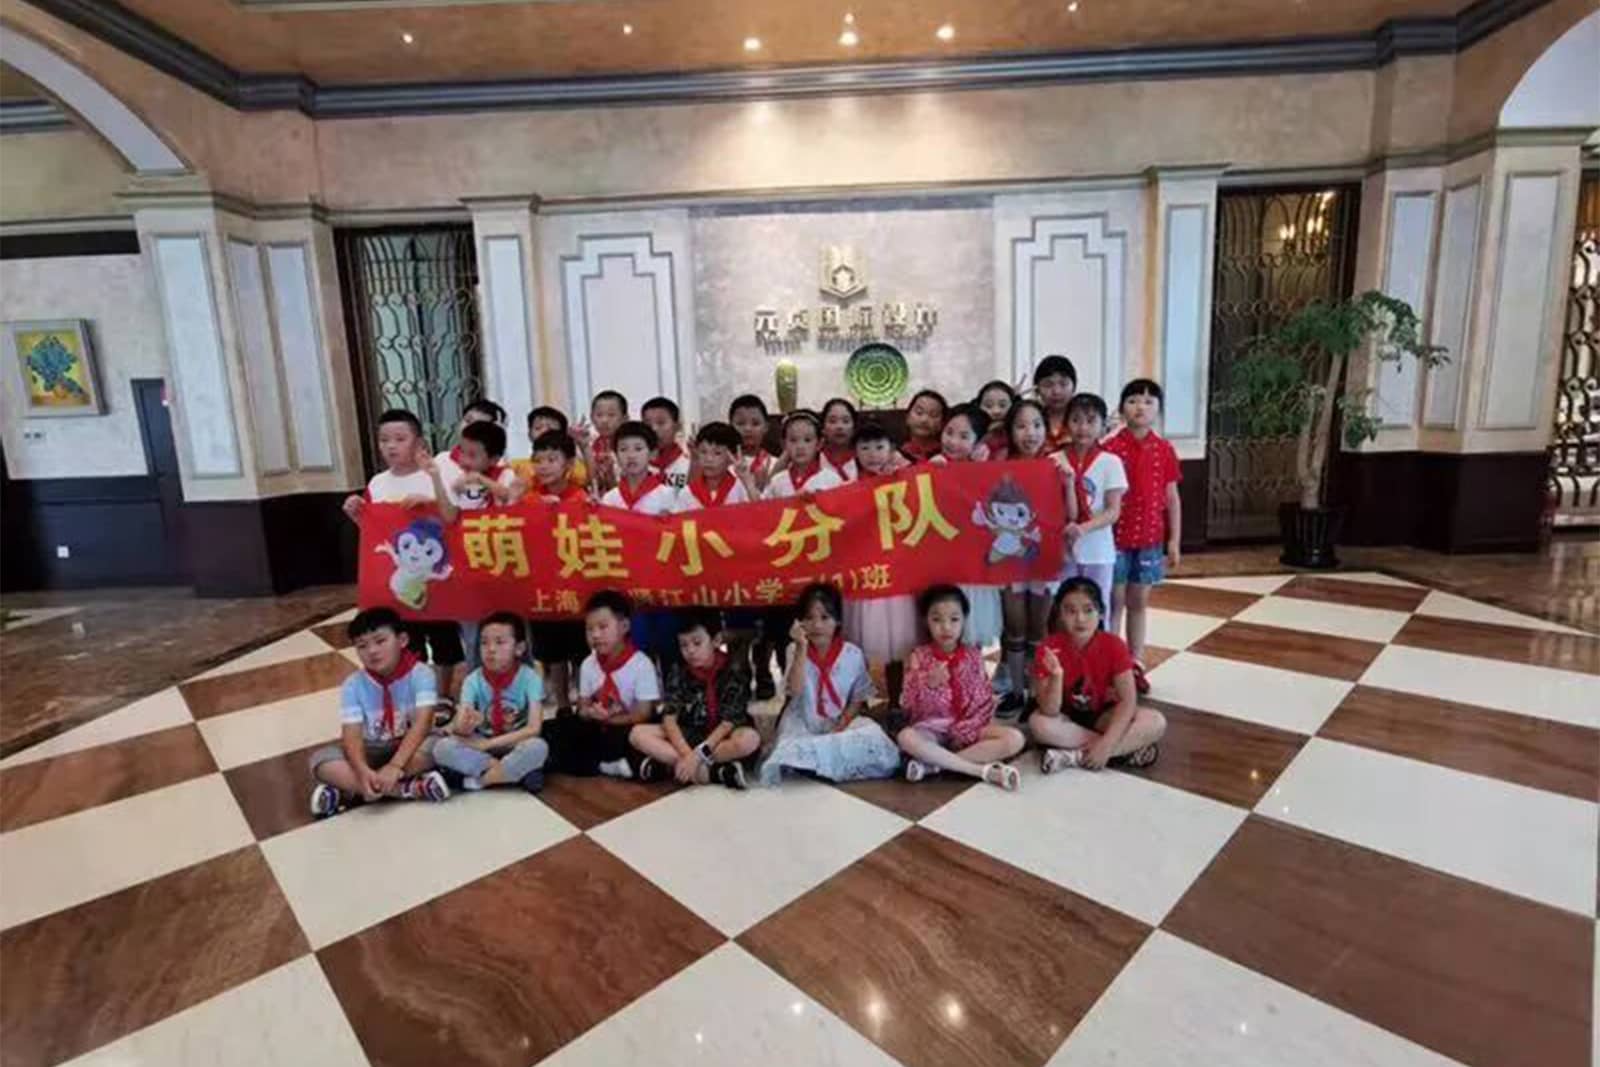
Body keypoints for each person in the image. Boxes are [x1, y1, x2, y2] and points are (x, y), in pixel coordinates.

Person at [340, 408, 464, 706]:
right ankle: (416, 694)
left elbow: (453, 518)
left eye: (399, 439)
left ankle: (444, 694)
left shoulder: (434, 475)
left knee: (443, 637)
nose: (391, 446)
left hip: (437, 579)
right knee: (408, 637)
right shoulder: (377, 483)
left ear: (418, 442)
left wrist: (429, 499)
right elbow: (375, 534)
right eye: (384, 440)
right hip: (399, 580)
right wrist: (357, 515)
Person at [309, 607, 449, 816]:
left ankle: (350, 792)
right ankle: (406, 789)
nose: (372, 651)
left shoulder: (421, 674)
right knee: (321, 760)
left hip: (412, 747)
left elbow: (422, 724)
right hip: (372, 748)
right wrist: (362, 770)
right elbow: (351, 734)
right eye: (362, 646)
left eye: (380, 641)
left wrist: (395, 765)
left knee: (439, 746)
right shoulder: (353, 684)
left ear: (402, 640)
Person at [760, 582, 900, 785]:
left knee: (874, 737)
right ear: (799, 622)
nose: (817, 625)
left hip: (838, 720)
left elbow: (858, 698)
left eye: (825, 618)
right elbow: (795, 690)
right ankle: (822, 759)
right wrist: (801, 647)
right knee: (789, 747)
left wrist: (843, 722)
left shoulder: (852, 653)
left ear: (838, 621)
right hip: (803, 722)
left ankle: (820, 759)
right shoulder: (794, 649)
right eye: (809, 618)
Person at [897, 585, 1025, 790]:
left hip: (969, 726)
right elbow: (909, 706)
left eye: (954, 619)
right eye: (937, 620)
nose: (946, 627)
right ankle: (979, 771)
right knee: (906, 737)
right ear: (926, 621)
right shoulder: (918, 656)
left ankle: (934, 766)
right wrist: (929, 685)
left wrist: (967, 727)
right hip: (931, 729)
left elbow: (982, 700)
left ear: (964, 620)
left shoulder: (973, 655)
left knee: (1015, 739)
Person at [1031, 577, 1166, 771]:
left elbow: (1128, 701)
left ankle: (1076, 756)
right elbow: (1050, 710)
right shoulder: (1049, 647)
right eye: (1070, 611)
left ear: (1101, 613)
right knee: (1038, 724)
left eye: (1088, 610)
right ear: (1060, 614)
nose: (1080, 619)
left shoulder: (1114, 645)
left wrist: (1107, 744)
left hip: (1104, 714)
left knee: (1155, 721)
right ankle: (1123, 752)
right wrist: (1056, 676)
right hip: (1065, 717)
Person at [1103, 379, 1182, 694]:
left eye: (1149, 402)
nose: (1141, 407)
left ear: (1158, 410)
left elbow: (1172, 498)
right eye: (1134, 400)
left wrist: (1174, 541)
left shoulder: (1164, 450)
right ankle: (1110, 663)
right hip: (1114, 539)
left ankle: (1135, 662)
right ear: (1122, 408)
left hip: (1150, 539)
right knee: (1114, 601)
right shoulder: (1109, 448)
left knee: (1139, 601)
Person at [629, 608, 761, 790]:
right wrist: (687, 755)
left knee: (749, 740)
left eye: (697, 643)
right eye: (684, 645)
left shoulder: (735, 669)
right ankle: (712, 772)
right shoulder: (678, 670)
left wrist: (697, 756)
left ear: (716, 640)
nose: (690, 651)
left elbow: (727, 723)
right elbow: (669, 719)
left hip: (723, 736)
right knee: (637, 734)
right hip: (690, 733)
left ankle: (672, 767)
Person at [544, 591, 662, 778]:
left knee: (637, 736)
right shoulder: (588, 664)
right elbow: (582, 708)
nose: (596, 635)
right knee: (553, 729)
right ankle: (609, 765)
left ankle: (604, 763)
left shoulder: (641, 664)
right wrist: (591, 713)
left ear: (624, 626)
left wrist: (610, 720)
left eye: (603, 627)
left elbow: (643, 714)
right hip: (599, 726)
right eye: (589, 629)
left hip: (627, 727)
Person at [842, 421, 919, 708]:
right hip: (861, 572)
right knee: (857, 642)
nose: (872, 454)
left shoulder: (905, 479)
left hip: (895, 572)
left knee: (895, 642)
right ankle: (857, 701)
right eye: (864, 448)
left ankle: (896, 701)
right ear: (855, 452)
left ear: (892, 449)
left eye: (879, 447)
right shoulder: (847, 484)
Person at [433, 613, 549, 792]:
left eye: (500, 642)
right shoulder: (473, 680)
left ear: (519, 648)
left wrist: (489, 744)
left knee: (538, 747)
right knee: (442, 748)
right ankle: (508, 772)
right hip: (481, 743)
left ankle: (479, 780)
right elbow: (460, 726)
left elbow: (534, 728)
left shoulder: (530, 677)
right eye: (484, 642)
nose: (491, 649)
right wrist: (465, 726)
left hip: (514, 742)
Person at [996, 398, 1062, 714]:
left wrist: (1068, 482)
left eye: (1036, 425)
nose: (1030, 433)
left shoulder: (1057, 464)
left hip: (1045, 560)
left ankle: (1036, 692)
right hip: (1009, 561)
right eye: (1021, 426)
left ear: (1046, 429)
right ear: (1010, 431)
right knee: (1014, 628)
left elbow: (1071, 509)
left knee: (1039, 629)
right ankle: (1016, 691)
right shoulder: (998, 466)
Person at [930, 403, 1003, 651]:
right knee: (940, 624)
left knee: (973, 627)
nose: (952, 442)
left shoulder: (987, 471)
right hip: (938, 559)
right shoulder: (932, 465)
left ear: (978, 442)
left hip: (972, 560)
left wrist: (978, 470)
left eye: (964, 436)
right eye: (949, 432)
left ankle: (974, 673)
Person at [526, 430, 590, 710]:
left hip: (576, 587)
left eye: (552, 459)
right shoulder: (528, 499)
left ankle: (584, 705)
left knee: (580, 650)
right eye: (538, 460)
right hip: (543, 588)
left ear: (569, 464)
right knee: (553, 654)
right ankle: (562, 706)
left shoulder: (581, 497)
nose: (544, 466)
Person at [1060, 393, 1126, 612]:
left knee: (1097, 607)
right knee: (1063, 605)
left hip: (1098, 549)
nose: (1083, 428)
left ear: (1102, 425)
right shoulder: (1055, 459)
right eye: (1076, 420)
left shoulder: (1111, 462)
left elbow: (1113, 511)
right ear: (1066, 423)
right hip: (1063, 548)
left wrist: (1083, 528)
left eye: (1091, 421)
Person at [673, 421, 758, 512]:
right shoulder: (687, 492)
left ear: (732, 457)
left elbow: (760, 512)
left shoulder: (740, 487)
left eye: (717, 453)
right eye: (703, 452)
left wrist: (747, 481)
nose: (709, 459)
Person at [599, 420, 677, 516]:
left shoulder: (667, 496)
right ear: (616, 456)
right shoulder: (609, 499)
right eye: (623, 449)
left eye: (638, 449)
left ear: (653, 454)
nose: (631, 455)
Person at [764, 410, 844, 499]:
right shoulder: (777, 481)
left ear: (819, 444)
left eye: (807, 440)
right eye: (793, 440)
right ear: (784, 444)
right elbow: (765, 505)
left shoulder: (832, 479)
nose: (800, 446)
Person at [513, 406, 589, 491]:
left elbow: (591, 480)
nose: (544, 432)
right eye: (538, 427)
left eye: (550, 428)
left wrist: (585, 447)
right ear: (529, 434)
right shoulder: (517, 466)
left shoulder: (570, 465)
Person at [729, 394, 777, 492]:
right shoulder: (722, 466)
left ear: (766, 427)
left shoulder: (775, 464)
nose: (748, 429)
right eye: (741, 423)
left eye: (755, 424)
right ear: (730, 427)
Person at [642, 396, 692, 490]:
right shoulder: (635, 465)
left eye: (661, 423)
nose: (654, 429)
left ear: (677, 426)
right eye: (647, 425)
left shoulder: (689, 464)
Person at [584, 389, 628, 493]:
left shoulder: (633, 448)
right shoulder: (587, 444)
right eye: (599, 415)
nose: (604, 420)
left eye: (611, 415)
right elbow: (591, 484)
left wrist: (610, 474)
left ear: (625, 418)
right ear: (592, 418)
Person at [1033, 354, 1078, 453]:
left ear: (1074, 386)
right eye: (1048, 385)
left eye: (1063, 384)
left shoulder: (1086, 420)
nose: (1056, 391)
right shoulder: (1030, 418)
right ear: (1037, 389)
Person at [900, 388, 947, 464]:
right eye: (919, 412)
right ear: (907, 417)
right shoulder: (895, 455)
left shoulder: (949, 453)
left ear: (942, 424)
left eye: (933, 415)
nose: (924, 420)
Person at [820, 397, 859, 481]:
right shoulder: (814, 458)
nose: (839, 427)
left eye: (846, 421)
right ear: (823, 428)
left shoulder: (863, 458)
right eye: (832, 421)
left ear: (854, 428)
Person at [976, 380, 1016, 461]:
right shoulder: (972, 433)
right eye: (988, 406)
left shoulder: (1018, 435)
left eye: (1002, 405)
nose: (996, 411)